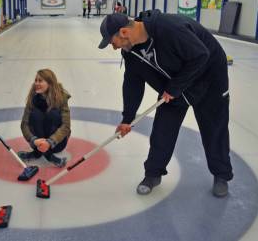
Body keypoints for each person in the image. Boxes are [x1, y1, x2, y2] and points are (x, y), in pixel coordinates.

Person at [98, 11, 233, 198]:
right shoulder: (130, 52)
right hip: (175, 82)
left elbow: (201, 55)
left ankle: (221, 175)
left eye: (112, 42)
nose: (114, 48)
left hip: (209, 77)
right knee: (163, 128)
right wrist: (128, 118)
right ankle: (153, 174)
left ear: (123, 32)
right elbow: (132, 83)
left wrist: (175, 87)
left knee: (214, 128)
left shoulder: (167, 27)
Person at [18, 69, 71, 168]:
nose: (36, 83)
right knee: (35, 114)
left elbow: (66, 126)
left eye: (40, 81)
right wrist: (33, 140)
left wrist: (50, 142)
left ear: (50, 83)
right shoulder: (33, 98)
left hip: (57, 144)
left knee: (53, 114)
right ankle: (49, 157)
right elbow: (24, 124)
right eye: (36, 80)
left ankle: (36, 154)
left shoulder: (61, 98)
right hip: (38, 143)